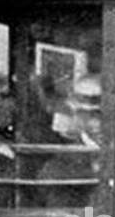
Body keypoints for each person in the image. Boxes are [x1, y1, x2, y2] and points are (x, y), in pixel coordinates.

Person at [36, 74, 103, 208]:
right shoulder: (58, 166)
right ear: (75, 114)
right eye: (86, 114)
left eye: (99, 114)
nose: (96, 122)